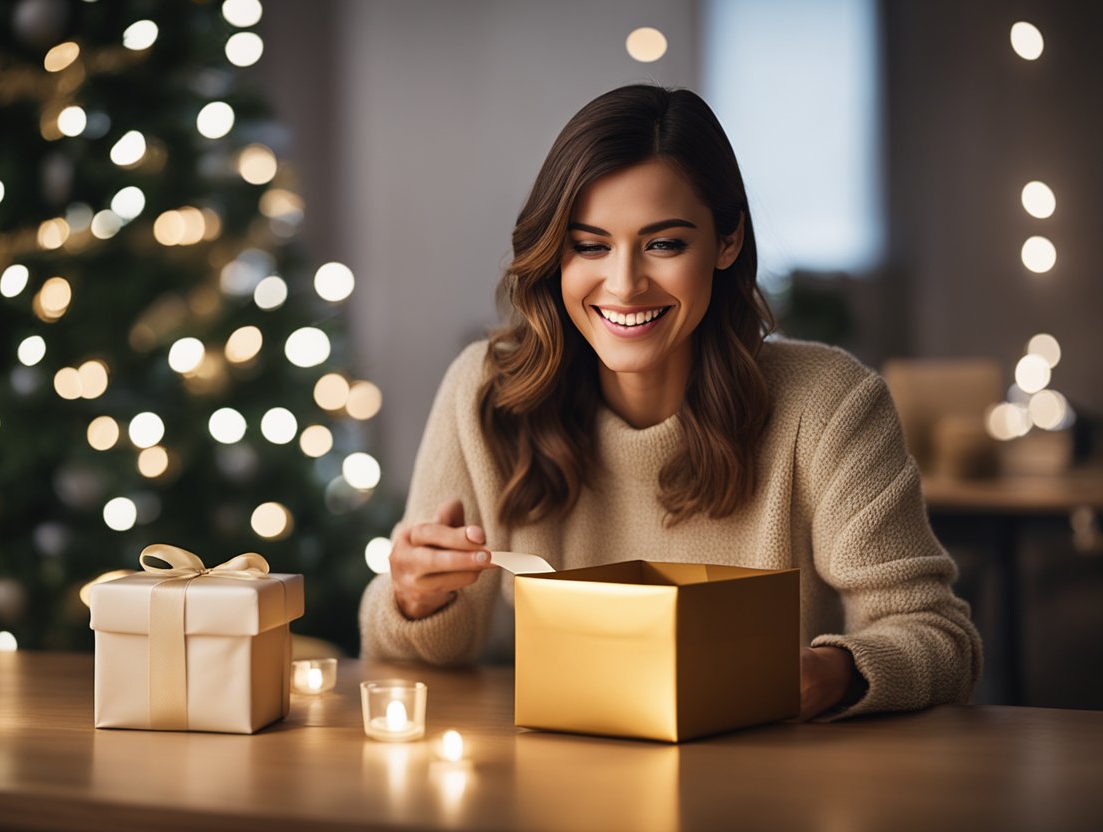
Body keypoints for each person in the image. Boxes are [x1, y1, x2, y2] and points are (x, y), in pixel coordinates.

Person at [359, 84, 982, 721]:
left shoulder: (830, 405)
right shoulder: (487, 394)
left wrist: (830, 673)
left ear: (728, 241)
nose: (625, 284)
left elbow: (940, 641)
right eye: (590, 245)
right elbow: (413, 660)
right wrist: (413, 596)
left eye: (664, 244)